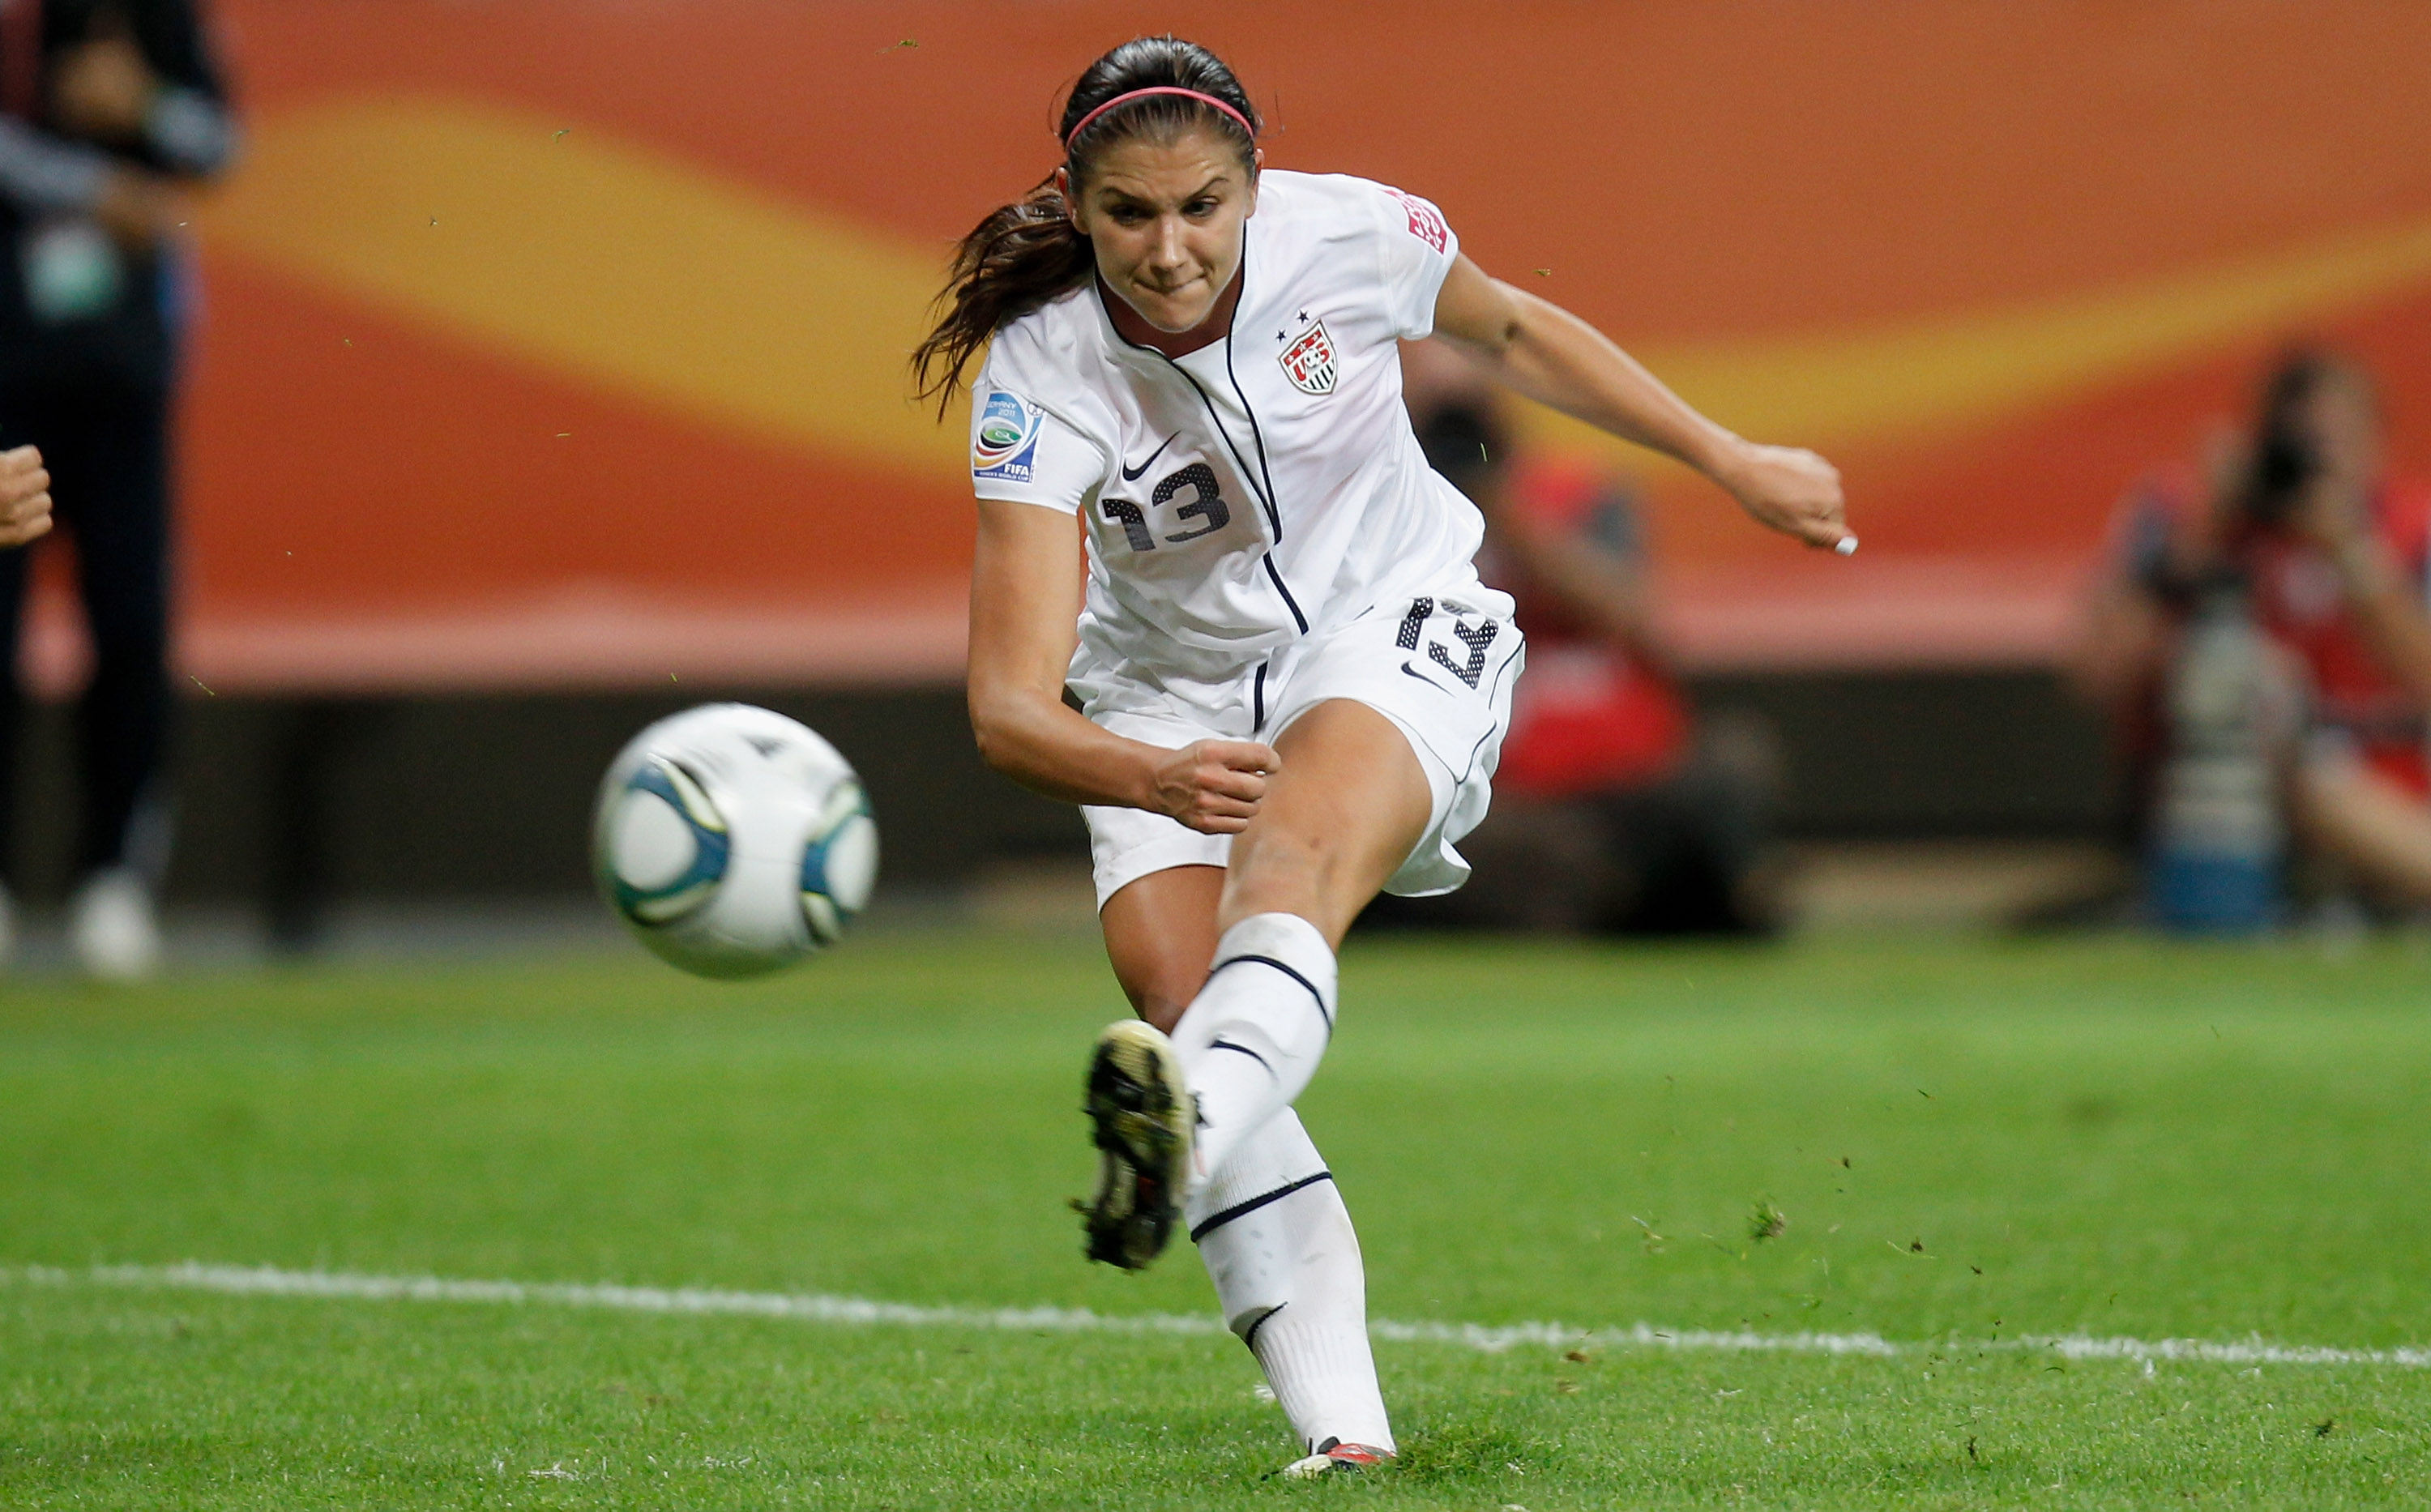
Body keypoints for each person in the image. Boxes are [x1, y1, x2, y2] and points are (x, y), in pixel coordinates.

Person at [915, 36, 1848, 1476]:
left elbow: (1519, 333)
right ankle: (1346, 1439)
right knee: (1187, 994)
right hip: (1164, 703)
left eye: (1203, 207)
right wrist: (1151, 774)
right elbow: (1009, 712)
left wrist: (1730, 457)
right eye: (1129, 216)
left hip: (1390, 615)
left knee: (1280, 877)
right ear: (1077, 205)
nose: (1169, 251)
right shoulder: (1038, 377)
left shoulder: (1352, 234)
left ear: (1254, 185)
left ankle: (1182, 1127)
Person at [1381, 348, 1783, 934]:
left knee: (1735, 764)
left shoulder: (1577, 492)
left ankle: (1663, 896)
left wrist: (1510, 522)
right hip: (1510, 796)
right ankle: (1636, 902)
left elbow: (1633, 616)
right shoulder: (1393, 518)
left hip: (1628, 777)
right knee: (1443, 838)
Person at [0, 0, 236, 977]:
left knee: (133, 628)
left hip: (123, 382)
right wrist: (90, 182)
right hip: (8, 373)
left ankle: (114, 881)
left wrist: (144, 104)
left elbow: (219, 141)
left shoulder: (163, 17)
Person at [2069, 351, 2431, 922]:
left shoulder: (2410, 533)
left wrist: (2351, 551)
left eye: (2341, 443)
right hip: (2220, 800)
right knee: (2248, 685)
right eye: (2303, 445)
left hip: (2386, 801)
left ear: (2378, 445)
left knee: (2324, 772)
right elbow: (2101, 674)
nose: (2320, 464)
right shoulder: (2187, 515)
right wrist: (2205, 532)